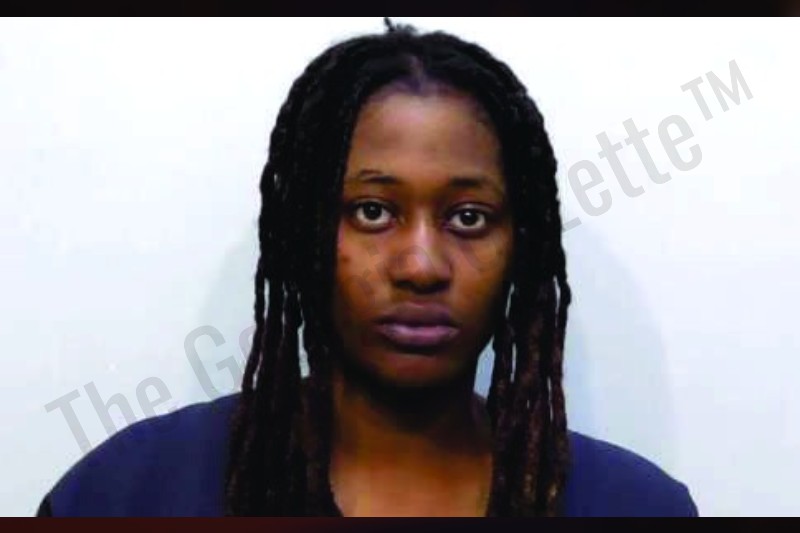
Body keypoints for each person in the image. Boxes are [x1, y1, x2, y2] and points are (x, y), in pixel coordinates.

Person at [37, 20, 698, 517]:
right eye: (372, 211)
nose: (421, 265)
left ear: (521, 248)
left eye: (469, 217)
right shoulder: (127, 492)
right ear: (304, 232)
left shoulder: (634, 505)